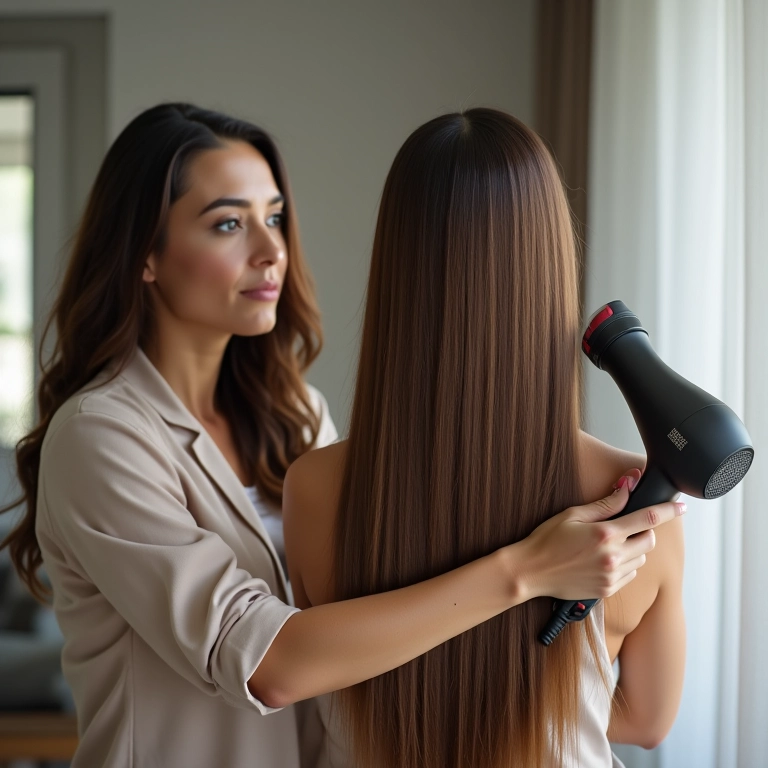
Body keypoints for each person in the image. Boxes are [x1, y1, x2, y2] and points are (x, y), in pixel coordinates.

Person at [0, 103, 683, 768]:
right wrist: (529, 570)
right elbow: (267, 662)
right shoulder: (101, 438)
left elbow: (375, 626)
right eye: (229, 224)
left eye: (275, 218)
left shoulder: (295, 414)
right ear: (144, 254)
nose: (272, 251)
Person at [283, 108, 687, 768]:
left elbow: (328, 673)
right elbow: (647, 719)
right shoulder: (636, 504)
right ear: (550, 266)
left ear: (396, 273)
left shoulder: (315, 488)